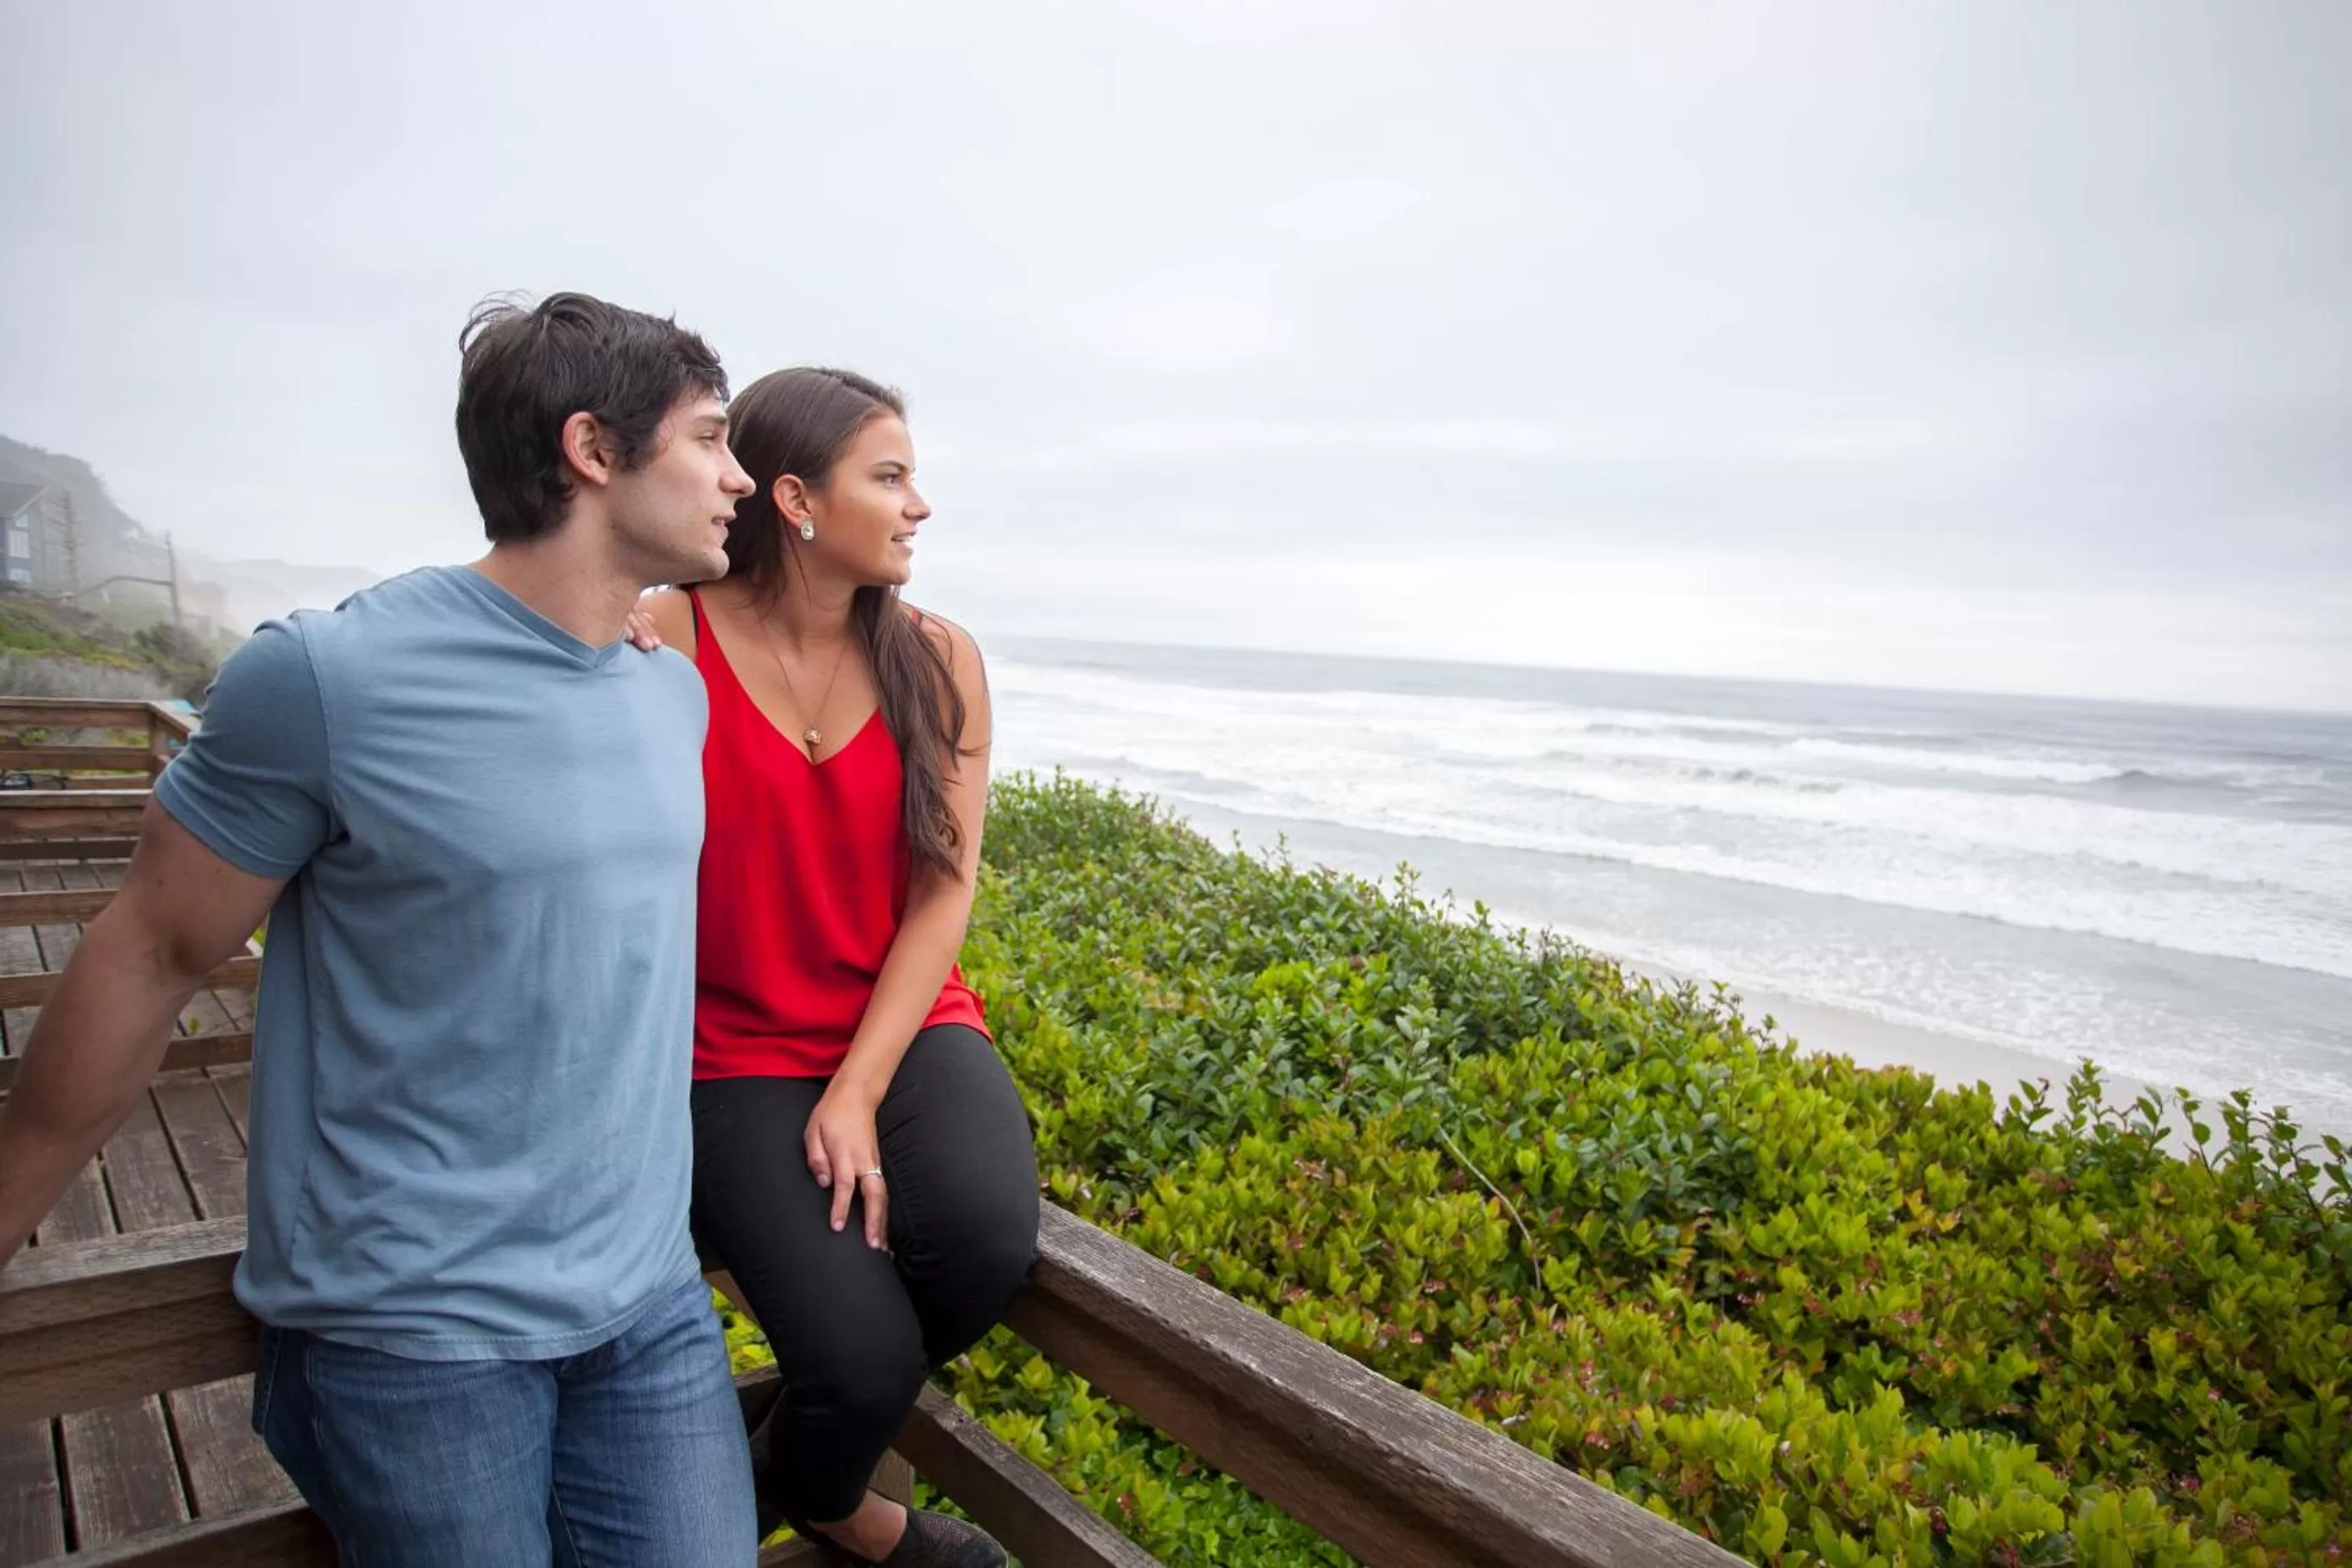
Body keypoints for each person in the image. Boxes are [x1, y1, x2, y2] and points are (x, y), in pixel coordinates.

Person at [0, 291, 763, 1565]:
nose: (738, 476)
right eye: (710, 438)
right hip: (415, 1331)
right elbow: (150, 954)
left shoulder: (666, 693)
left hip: (647, 1307)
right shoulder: (329, 678)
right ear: (592, 449)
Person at [634, 368, 1037, 1567]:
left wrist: (857, 1089)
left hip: (906, 1021)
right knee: (856, 1359)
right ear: (798, 499)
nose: (921, 506)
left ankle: (734, 1499)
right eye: (891, 477)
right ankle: (839, 1509)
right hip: (731, 1048)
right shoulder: (664, 637)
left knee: (983, 1248)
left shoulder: (939, 658)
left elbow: (944, 888)